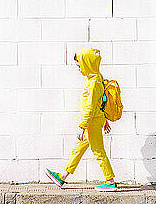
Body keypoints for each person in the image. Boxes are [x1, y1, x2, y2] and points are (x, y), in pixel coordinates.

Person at [44, 46, 117, 191]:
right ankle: (62, 176)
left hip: (92, 122)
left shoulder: (93, 83)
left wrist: (82, 126)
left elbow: (90, 106)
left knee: (98, 151)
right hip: (96, 120)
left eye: (79, 65)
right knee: (79, 148)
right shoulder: (96, 77)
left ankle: (110, 181)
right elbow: (100, 102)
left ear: (87, 63)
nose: (78, 68)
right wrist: (104, 120)